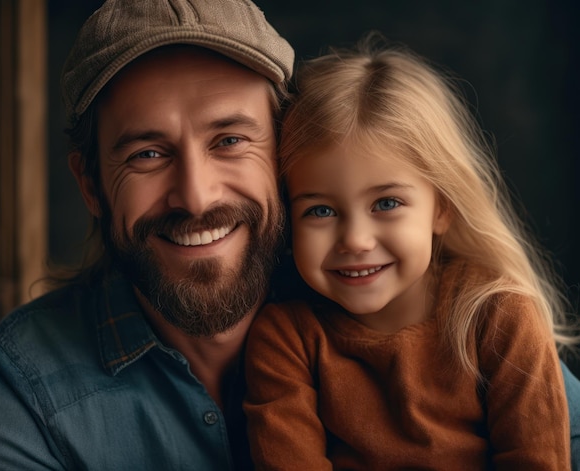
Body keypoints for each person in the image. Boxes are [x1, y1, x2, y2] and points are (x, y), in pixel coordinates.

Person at [0, 0, 293, 469]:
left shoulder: (393, 324)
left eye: (230, 141)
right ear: (90, 186)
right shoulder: (18, 401)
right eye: (148, 154)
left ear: (286, 152)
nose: (195, 198)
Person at [244, 33, 580, 470]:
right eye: (321, 210)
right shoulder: (285, 340)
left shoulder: (499, 315)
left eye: (387, 204)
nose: (356, 240)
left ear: (442, 208)